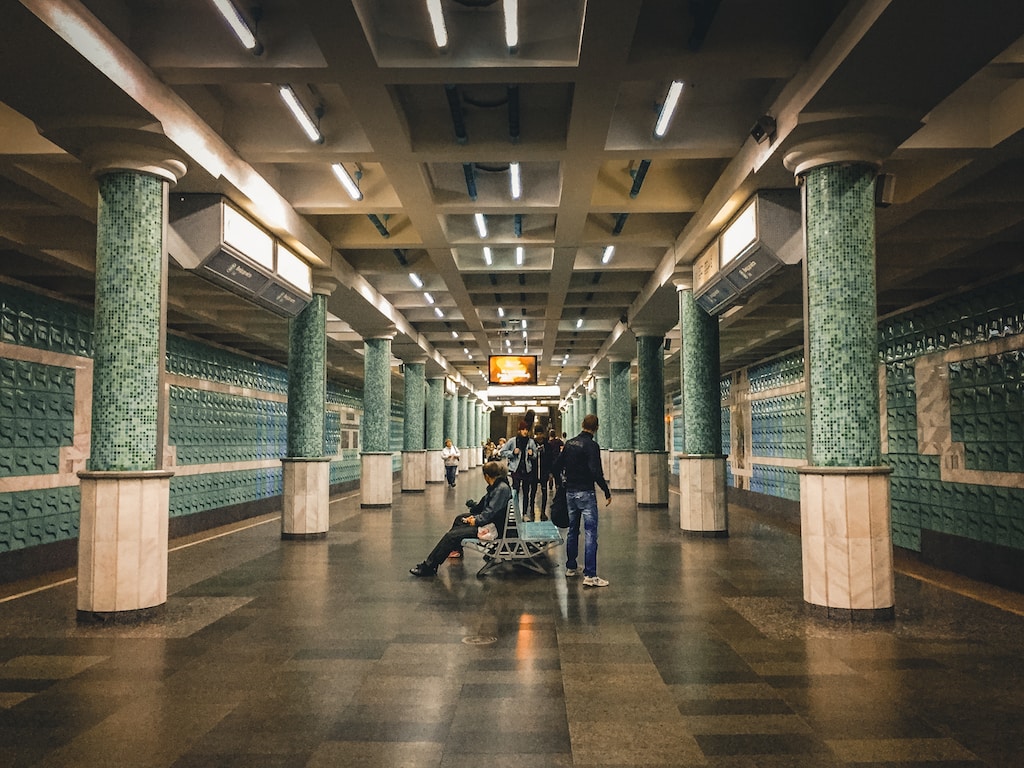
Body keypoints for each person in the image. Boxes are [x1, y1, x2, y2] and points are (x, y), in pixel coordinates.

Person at [409, 461, 512, 577]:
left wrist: (476, 520)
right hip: (491, 523)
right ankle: (456, 548)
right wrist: (473, 515)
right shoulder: (497, 486)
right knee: (460, 519)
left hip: (492, 528)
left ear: (486, 476)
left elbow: (490, 512)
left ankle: (429, 566)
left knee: (451, 536)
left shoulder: (500, 489)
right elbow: (487, 508)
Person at [551, 413, 611, 587]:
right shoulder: (592, 446)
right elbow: (596, 472)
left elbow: (556, 466)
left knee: (573, 530)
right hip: (586, 493)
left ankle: (571, 567)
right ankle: (590, 575)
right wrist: (606, 491)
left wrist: (561, 484)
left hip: (570, 493)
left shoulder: (569, 443)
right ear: (596, 428)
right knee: (591, 533)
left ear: (582, 424)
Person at [499, 420, 538, 520]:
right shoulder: (513, 441)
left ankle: (525, 513)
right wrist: (512, 453)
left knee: (526, 492)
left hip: (527, 470)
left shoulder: (531, 442)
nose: (525, 431)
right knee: (515, 490)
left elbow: (535, 455)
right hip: (515, 469)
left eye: (526, 430)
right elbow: (502, 452)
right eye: (523, 429)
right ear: (519, 430)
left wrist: (532, 454)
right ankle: (514, 512)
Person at [537, 428, 564, 521]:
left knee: (538, 492)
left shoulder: (548, 444)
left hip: (543, 470)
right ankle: (542, 512)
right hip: (554, 465)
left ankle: (538, 512)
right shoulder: (558, 442)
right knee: (555, 483)